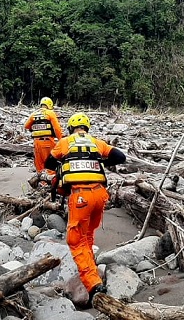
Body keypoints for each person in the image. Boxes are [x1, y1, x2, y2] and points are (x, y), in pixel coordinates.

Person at [43, 112, 126, 305]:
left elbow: (48, 162)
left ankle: (93, 284)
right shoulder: (96, 143)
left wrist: (65, 163)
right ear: (87, 128)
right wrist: (101, 161)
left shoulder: (65, 142)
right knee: (87, 235)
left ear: (71, 128)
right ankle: (91, 264)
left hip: (80, 196)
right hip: (100, 195)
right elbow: (120, 157)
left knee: (75, 240)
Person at [23, 97, 63, 179]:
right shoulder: (50, 113)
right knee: (50, 164)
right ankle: (51, 183)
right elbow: (57, 129)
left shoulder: (34, 114)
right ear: (49, 105)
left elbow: (26, 126)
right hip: (47, 142)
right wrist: (61, 140)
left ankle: (41, 183)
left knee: (39, 165)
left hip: (36, 143)